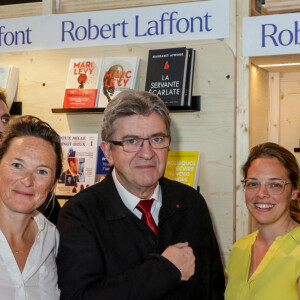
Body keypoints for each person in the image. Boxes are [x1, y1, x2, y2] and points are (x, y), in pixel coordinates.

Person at [57, 89, 225, 299]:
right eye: (132, 141)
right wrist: (165, 270)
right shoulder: (80, 214)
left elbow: (214, 290)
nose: (147, 153)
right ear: (108, 151)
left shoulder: (192, 203)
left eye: (157, 139)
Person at [225, 142, 300, 299]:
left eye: (274, 185)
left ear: (294, 191)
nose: (261, 193)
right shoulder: (239, 249)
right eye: (253, 184)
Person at [0, 115, 63, 299]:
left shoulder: (52, 238)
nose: (27, 180)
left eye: (42, 171)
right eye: (18, 165)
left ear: (52, 184)